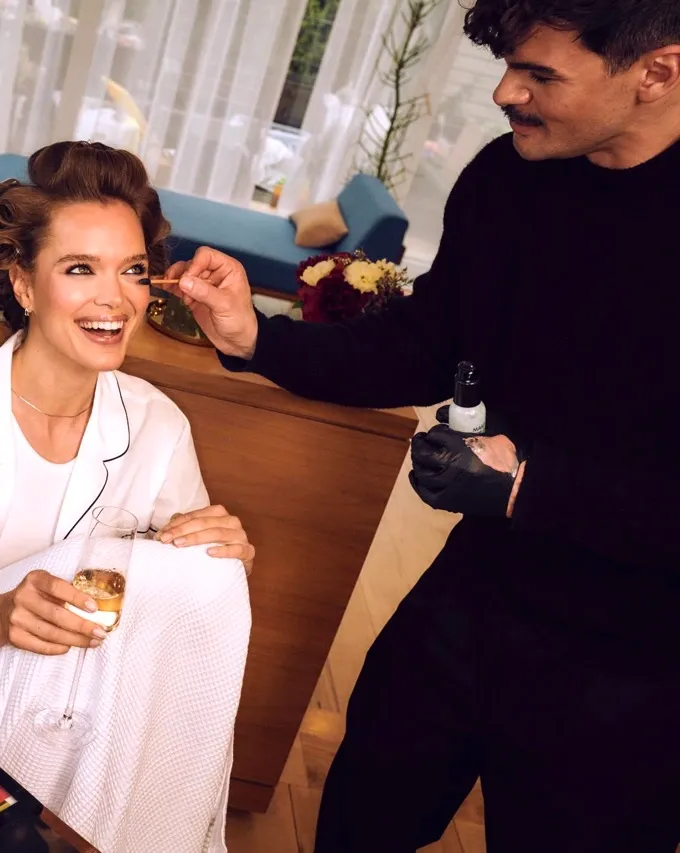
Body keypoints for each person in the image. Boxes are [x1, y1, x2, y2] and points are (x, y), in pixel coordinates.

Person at [161, 1, 680, 850]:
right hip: (474, 594)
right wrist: (254, 336)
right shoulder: (511, 176)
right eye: (510, 65)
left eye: (541, 74)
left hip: (639, 663)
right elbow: (421, 346)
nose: (507, 93)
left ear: (656, 73)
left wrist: (532, 486)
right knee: (361, 818)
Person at [0, 141, 255, 852]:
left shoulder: (158, 424)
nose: (115, 298)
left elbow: (171, 609)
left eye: (132, 270)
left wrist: (220, 557)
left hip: (84, 729)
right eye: (80, 269)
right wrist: (4, 615)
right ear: (25, 284)